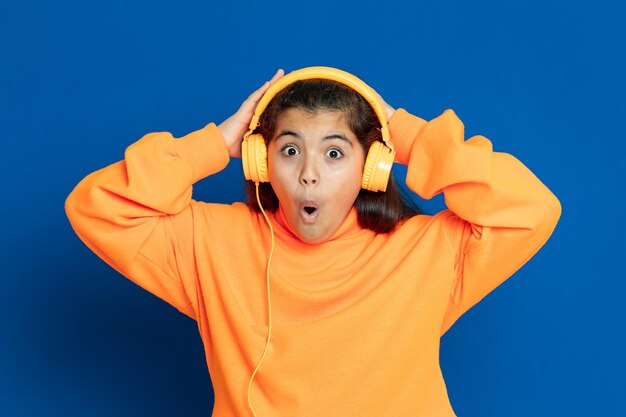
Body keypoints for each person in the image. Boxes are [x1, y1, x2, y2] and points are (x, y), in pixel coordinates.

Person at [65, 66, 561, 417]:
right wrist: (215, 144)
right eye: (289, 150)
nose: (309, 175)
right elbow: (96, 206)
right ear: (260, 162)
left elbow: (531, 207)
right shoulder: (210, 243)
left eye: (334, 153)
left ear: (372, 168)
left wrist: (407, 136)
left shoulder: (427, 250)